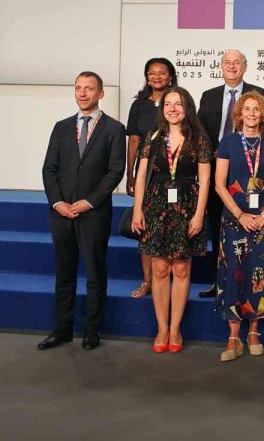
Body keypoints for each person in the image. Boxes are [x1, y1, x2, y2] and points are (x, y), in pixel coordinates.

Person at [40, 71, 126, 351]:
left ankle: (91, 331)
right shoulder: (61, 127)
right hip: (61, 213)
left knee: (94, 274)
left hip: (94, 213)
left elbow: (115, 171)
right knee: (64, 274)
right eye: (78, 88)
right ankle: (62, 330)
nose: (83, 93)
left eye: (89, 88)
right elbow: (49, 169)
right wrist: (58, 203)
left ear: (100, 93)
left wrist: (89, 201)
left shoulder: (114, 129)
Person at [131, 87, 212, 353]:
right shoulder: (153, 137)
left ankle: (175, 328)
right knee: (160, 270)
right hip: (156, 207)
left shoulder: (199, 138)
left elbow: (205, 180)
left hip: (187, 208)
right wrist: (137, 210)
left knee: (181, 270)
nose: (173, 109)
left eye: (178, 104)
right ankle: (162, 328)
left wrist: (199, 214)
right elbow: (141, 176)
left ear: (187, 107)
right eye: (168, 104)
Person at [214, 91, 264, 361]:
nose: (252, 114)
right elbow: (219, 184)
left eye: (257, 109)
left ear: (263, 114)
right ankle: (233, 336)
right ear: (239, 114)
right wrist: (240, 214)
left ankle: (254, 332)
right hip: (235, 220)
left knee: (259, 274)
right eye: (247, 109)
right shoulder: (228, 142)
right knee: (234, 273)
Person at [197, 49, 264, 298]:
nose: (231, 66)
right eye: (227, 62)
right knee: (217, 226)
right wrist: (217, 153)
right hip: (217, 168)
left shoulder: (259, 94)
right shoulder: (209, 96)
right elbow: (201, 132)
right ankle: (218, 281)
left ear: (245, 67)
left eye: (237, 62)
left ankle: (247, 282)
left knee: (250, 228)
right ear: (221, 66)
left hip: (247, 172)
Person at [126, 57, 177, 299]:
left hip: (174, 173)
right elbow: (134, 140)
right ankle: (148, 281)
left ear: (171, 76)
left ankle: (168, 280)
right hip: (146, 173)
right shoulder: (139, 105)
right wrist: (131, 174)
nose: (157, 77)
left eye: (162, 72)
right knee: (147, 228)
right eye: (152, 73)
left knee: (172, 225)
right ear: (147, 77)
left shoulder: (178, 101)